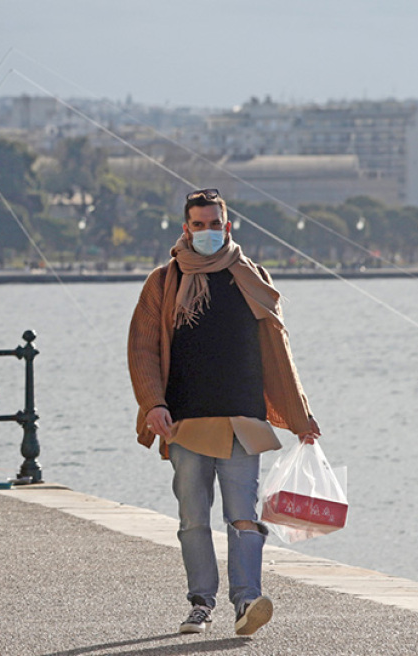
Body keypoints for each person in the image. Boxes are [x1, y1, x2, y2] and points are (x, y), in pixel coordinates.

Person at [127, 188, 321, 637]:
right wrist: (153, 404)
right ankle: (200, 603)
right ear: (186, 228)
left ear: (228, 226)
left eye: (216, 225)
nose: (209, 232)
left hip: (242, 418)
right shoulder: (164, 281)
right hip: (185, 421)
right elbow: (142, 348)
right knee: (193, 518)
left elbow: (278, 350)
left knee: (243, 515)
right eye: (200, 225)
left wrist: (299, 416)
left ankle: (247, 601)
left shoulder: (250, 276)